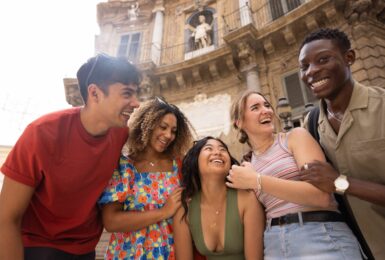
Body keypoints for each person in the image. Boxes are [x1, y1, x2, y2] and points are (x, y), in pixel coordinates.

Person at [0, 53, 141, 259]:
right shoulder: (41, 133)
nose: (136, 103)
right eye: (127, 93)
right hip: (40, 247)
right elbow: (6, 218)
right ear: (94, 94)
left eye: (136, 94)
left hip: (85, 250)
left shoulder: (120, 133)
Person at [227, 90, 363, 259]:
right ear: (239, 122)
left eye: (267, 105)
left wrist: (257, 180)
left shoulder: (295, 138)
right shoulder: (248, 165)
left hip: (319, 235)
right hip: (274, 243)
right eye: (255, 107)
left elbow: (320, 196)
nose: (267, 110)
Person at [298, 28, 385, 259]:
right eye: (304, 66)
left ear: (349, 58)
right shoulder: (312, 123)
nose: (311, 72)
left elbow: (333, 182)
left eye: (323, 59)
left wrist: (339, 182)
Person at [98, 98, 194, 259]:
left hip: (170, 253)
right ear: (147, 124)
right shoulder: (124, 165)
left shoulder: (179, 164)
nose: (168, 135)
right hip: (129, 254)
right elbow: (111, 221)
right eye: (163, 127)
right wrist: (163, 212)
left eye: (174, 130)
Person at [173, 136, 264, 260]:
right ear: (195, 160)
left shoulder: (247, 198)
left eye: (223, 150)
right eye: (208, 148)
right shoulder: (184, 209)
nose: (217, 152)